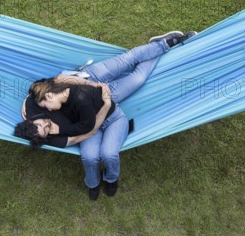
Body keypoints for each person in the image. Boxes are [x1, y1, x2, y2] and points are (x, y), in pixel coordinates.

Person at [14, 30, 197, 200]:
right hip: (99, 102)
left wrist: (93, 85)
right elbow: (83, 131)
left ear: (33, 115)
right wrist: (105, 101)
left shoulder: (34, 105)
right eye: (46, 130)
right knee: (138, 79)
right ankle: (95, 182)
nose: (47, 123)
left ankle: (164, 44)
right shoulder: (47, 132)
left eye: (42, 123)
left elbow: (50, 84)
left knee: (128, 60)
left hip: (89, 78)